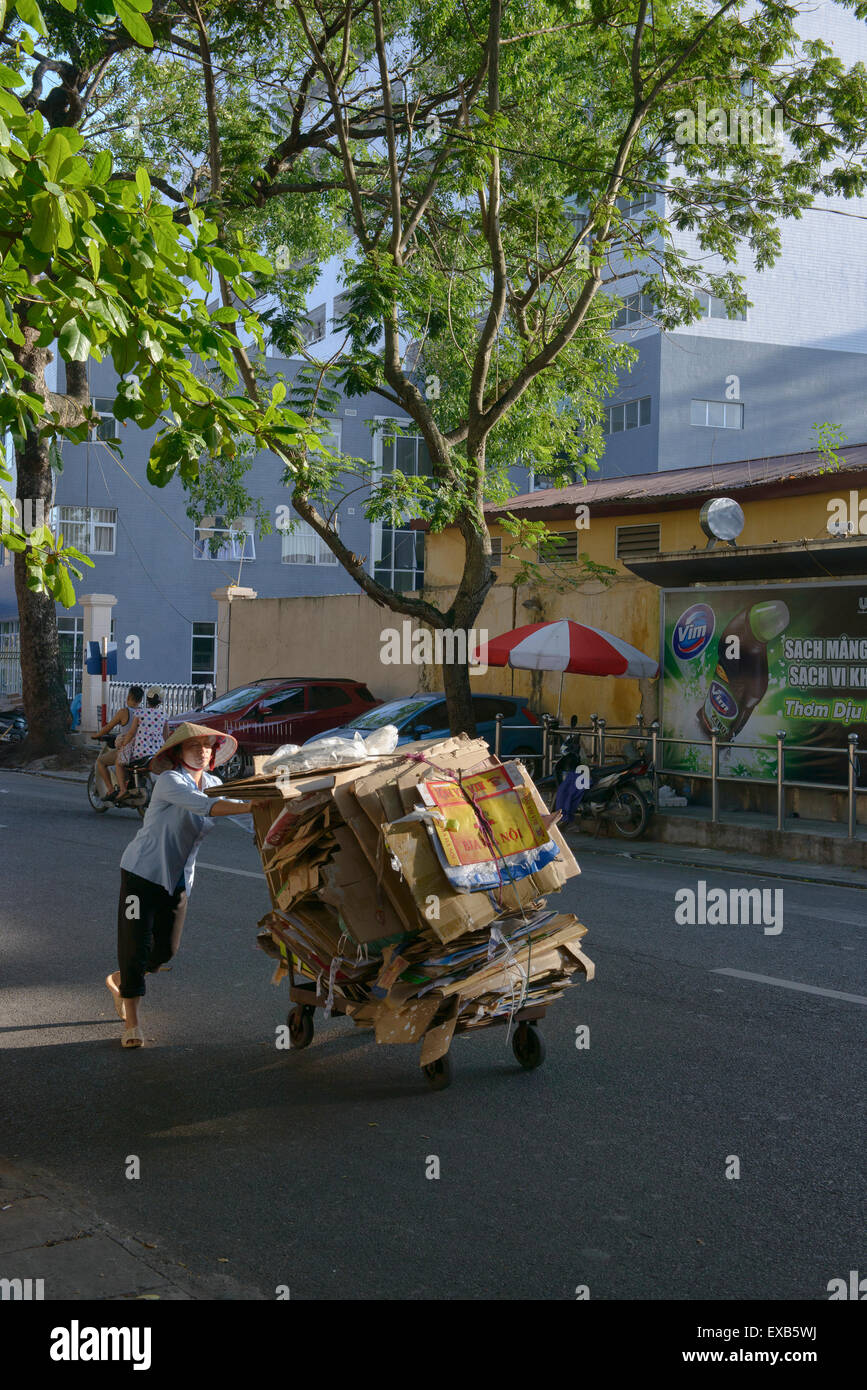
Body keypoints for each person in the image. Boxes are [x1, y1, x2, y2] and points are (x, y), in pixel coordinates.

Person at [105, 722, 254, 1048]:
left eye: (207, 747)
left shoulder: (213, 782)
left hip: (178, 881)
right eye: (193, 747)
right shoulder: (170, 781)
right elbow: (208, 806)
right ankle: (132, 1022)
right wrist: (253, 804)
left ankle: (122, 980)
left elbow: (244, 817)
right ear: (178, 752)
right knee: (135, 945)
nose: (201, 752)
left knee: (164, 951)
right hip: (139, 877)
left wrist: (275, 822)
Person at [109, 686, 166, 802]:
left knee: (119, 763)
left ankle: (123, 790)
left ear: (147, 699)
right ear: (161, 701)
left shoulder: (140, 713)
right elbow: (166, 736)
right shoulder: (164, 715)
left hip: (140, 751)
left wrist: (123, 745)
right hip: (157, 751)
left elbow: (131, 733)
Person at [90, 686, 143, 797]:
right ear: (141, 700)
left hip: (126, 748)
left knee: (101, 761)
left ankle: (111, 790)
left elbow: (108, 727)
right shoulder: (144, 713)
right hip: (140, 749)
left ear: (128, 697)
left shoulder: (123, 712)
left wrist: (97, 735)